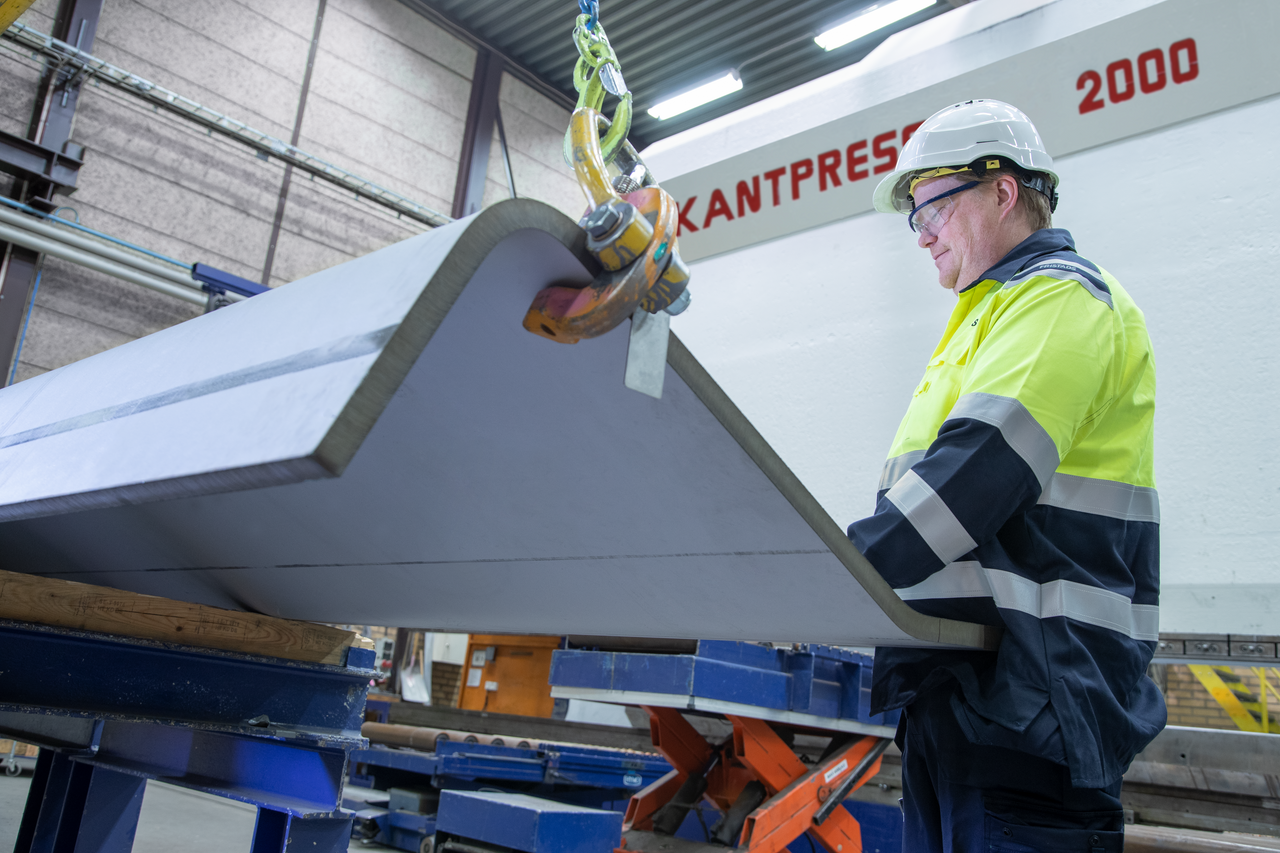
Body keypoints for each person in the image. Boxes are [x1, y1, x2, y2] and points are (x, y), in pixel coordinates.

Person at [847, 99, 1165, 851]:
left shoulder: (1062, 299)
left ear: (1003, 190)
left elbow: (971, 478)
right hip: (966, 703)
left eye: (933, 206)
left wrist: (823, 576)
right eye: (914, 217)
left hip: (1037, 700)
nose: (921, 234)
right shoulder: (983, 321)